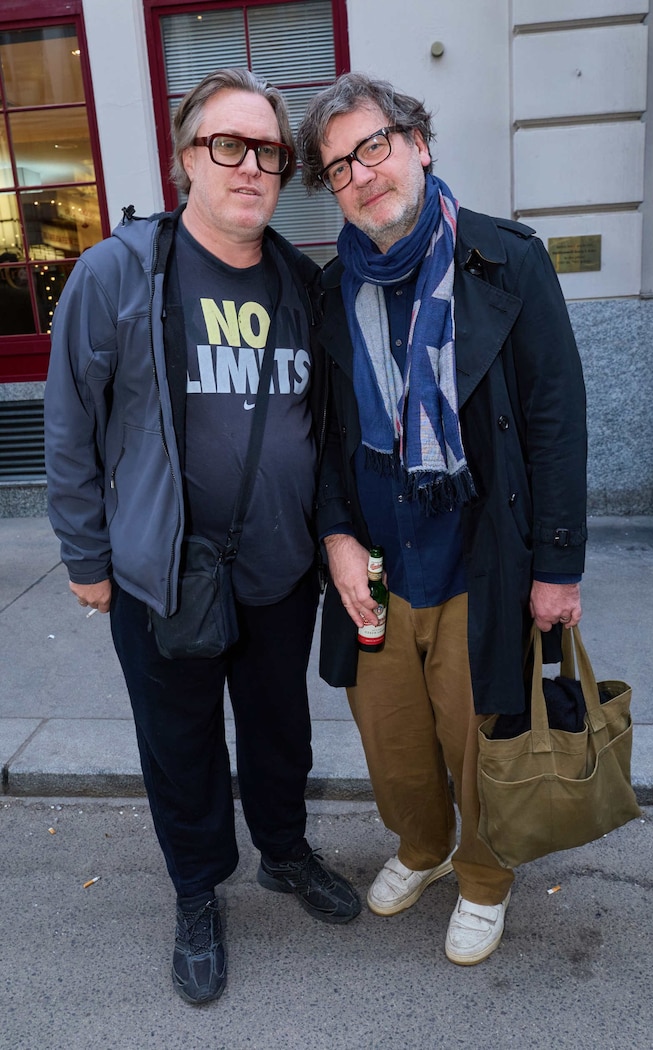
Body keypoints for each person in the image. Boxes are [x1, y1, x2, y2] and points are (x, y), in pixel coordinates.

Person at [44, 68, 361, 1007]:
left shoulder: (305, 283)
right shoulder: (119, 272)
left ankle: (285, 852)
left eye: (268, 151)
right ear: (188, 159)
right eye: (229, 145)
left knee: (279, 731)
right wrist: (86, 556)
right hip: (159, 573)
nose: (251, 166)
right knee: (178, 742)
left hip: (277, 571)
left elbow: (327, 425)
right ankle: (195, 892)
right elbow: (70, 423)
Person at [297, 73, 587, 966]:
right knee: (395, 747)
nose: (361, 173)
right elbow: (323, 435)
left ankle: (486, 873)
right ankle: (423, 847)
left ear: (418, 143)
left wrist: (558, 566)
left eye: (374, 146)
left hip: (482, 557)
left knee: (483, 737)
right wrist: (337, 537)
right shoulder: (328, 288)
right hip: (378, 565)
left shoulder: (507, 258)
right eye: (339, 165)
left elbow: (555, 416)